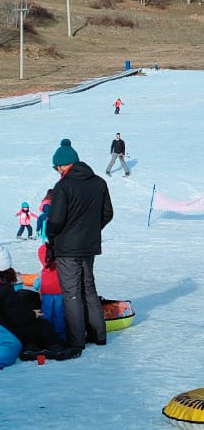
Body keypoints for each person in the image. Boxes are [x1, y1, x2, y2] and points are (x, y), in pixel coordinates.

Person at [46, 138, 113, 350]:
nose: (57, 171)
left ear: (63, 165)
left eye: (57, 167)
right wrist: (91, 231)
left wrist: (52, 236)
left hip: (67, 248)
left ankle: (76, 341)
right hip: (89, 246)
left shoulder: (63, 186)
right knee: (89, 289)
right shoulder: (99, 183)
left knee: (72, 293)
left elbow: (55, 220)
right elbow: (107, 214)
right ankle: (98, 335)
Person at [0, 246, 70, 357]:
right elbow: (15, 318)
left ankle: (31, 346)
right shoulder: (4, 288)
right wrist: (33, 314)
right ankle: (56, 347)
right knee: (41, 324)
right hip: (6, 330)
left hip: (5, 326)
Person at [35, 243, 64, 343]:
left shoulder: (43, 250)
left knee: (46, 313)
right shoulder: (61, 249)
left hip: (46, 288)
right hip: (59, 288)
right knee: (59, 314)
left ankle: (46, 336)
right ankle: (60, 337)